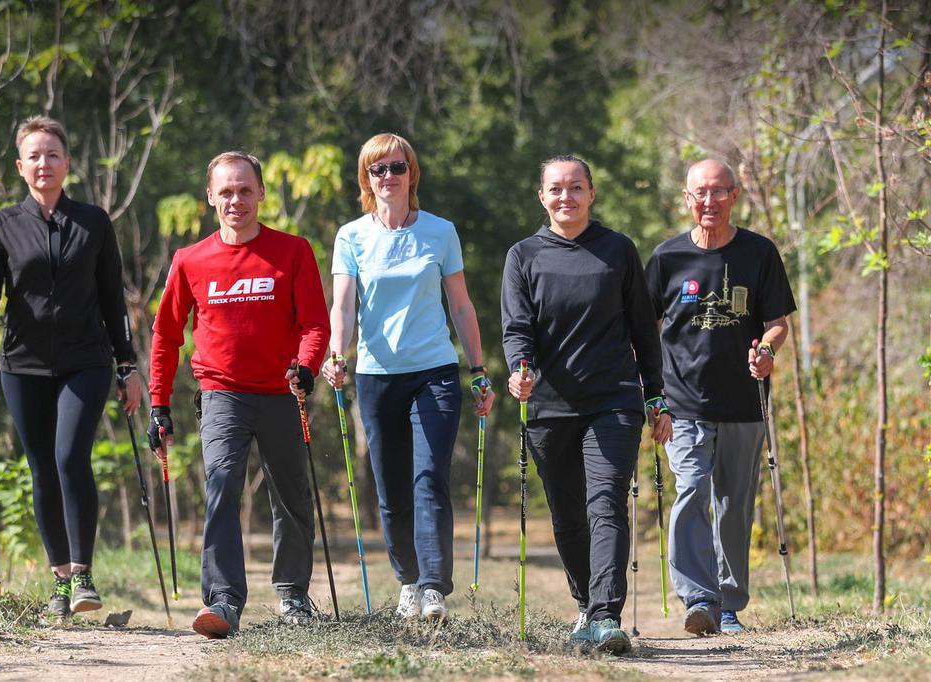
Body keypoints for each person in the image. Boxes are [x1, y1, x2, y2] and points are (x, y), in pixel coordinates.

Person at [148, 151, 330, 638]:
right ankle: (224, 601)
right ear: (210, 197)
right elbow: (166, 335)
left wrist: (306, 367)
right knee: (221, 487)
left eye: (245, 190)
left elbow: (315, 323)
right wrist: (158, 403)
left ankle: (293, 595)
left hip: (279, 392)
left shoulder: (293, 251)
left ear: (261, 193)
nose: (236, 200)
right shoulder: (190, 259)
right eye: (226, 191)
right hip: (221, 393)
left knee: (291, 494)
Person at [321, 133, 494, 623]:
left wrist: (478, 370)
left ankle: (435, 587)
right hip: (377, 377)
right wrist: (338, 354)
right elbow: (344, 305)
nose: (388, 177)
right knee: (391, 488)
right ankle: (408, 581)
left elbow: (460, 305)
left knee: (429, 478)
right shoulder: (351, 236)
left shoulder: (441, 232)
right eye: (378, 170)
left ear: (411, 173)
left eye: (397, 167)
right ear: (366, 178)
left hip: (435, 373)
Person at [0, 115, 139, 618]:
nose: (44, 163)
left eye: (53, 154)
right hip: (22, 365)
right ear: (20, 167)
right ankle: (59, 582)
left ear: (67, 163)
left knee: (70, 458)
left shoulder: (93, 221)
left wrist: (127, 366)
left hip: (86, 361)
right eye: (34, 156)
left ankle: (84, 575)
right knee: (42, 467)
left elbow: (113, 299)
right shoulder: (3, 223)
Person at [501, 154, 669, 655]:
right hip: (549, 404)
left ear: (592, 194)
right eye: (555, 188)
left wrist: (656, 394)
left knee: (606, 503)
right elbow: (517, 328)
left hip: (614, 400)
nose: (566, 197)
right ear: (541, 196)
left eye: (576, 188)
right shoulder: (523, 255)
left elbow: (643, 328)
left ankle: (605, 616)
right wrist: (519, 369)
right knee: (568, 515)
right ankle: (584, 603)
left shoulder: (617, 249)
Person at [644, 159, 796, 636]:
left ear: (734, 195)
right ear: (687, 199)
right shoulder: (667, 259)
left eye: (718, 192)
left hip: (744, 400)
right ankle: (699, 599)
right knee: (691, 490)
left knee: (734, 503)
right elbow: (643, 331)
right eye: (699, 193)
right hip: (682, 401)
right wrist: (652, 396)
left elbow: (777, 323)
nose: (709, 201)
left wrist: (767, 351)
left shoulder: (759, 252)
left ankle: (729, 605)